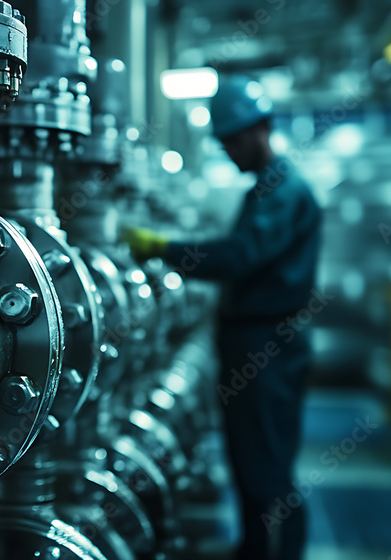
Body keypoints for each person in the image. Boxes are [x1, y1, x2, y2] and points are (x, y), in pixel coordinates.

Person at [123, 76, 322, 560]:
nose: (228, 151)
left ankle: (281, 553)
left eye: (233, 140)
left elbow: (238, 256)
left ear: (260, 130)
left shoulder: (284, 191)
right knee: (250, 459)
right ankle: (255, 550)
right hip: (252, 343)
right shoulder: (265, 189)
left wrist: (163, 248)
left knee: (267, 465)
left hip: (267, 344)